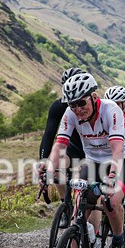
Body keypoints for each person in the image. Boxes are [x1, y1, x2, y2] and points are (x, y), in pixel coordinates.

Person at [41, 72, 125, 248]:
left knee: (111, 201)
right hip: (93, 162)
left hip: (121, 160)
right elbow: (59, 145)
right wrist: (49, 170)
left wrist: (112, 175)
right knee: (77, 215)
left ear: (93, 97)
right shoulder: (70, 114)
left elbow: (117, 149)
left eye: (81, 103)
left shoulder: (111, 110)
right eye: (72, 105)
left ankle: (119, 242)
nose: (78, 109)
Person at [38, 67, 86, 206]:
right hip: (74, 147)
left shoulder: (92, 105)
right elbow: (49, 135)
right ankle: (65, 205)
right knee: (56, 166)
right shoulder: (58, 107)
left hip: (94, 147)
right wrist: (43, 163)